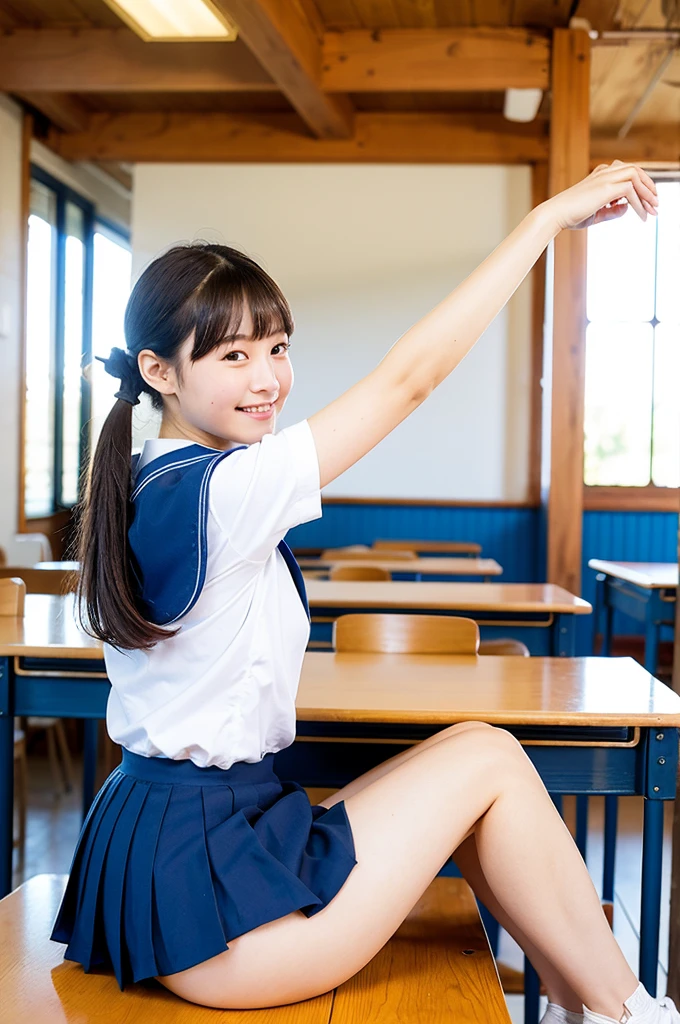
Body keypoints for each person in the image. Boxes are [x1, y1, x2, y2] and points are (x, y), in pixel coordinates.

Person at [51, 162, 668, 1024]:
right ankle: (630, 1011)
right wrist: (544, 224)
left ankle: (593, 1002)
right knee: (488, 757)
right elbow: (408, 382)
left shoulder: (154, 479)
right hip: (219, 923)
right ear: (159, 371)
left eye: (276, 348)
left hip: (181, 856)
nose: (267, 377)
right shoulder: (223, 491)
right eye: (233, 356)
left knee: (475, 761)